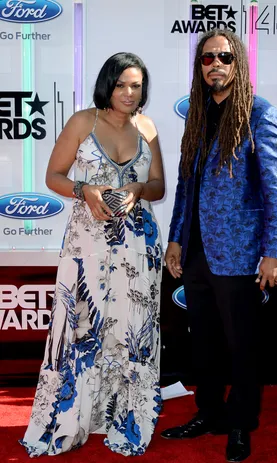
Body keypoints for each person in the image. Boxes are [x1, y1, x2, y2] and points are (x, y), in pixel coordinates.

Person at [20, 52, 164, 457]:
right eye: (121, 84)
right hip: (87, 243)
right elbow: (53, 175)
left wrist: (137, 190)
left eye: (136, 85)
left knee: (132, 328)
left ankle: (125, 416)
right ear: (107, 84)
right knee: (82, 327)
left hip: (138, 245)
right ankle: (70, 418)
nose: (129, 93)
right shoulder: (84, 121)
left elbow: (158, 187)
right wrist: (85, 190)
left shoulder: (148, 126)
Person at [161, 29, 277, 462]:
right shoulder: (197, 118)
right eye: (206, 59)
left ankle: (240, 424)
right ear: (199, 68)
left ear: (238, 63)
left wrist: (275, 249)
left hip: (239, 253)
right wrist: (177, 238)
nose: (215, 64)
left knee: (241, 345)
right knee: (205, 344)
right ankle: (210, 414)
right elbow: (186, 187)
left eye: (223, 57)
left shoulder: (260, 115)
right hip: (197, 253)